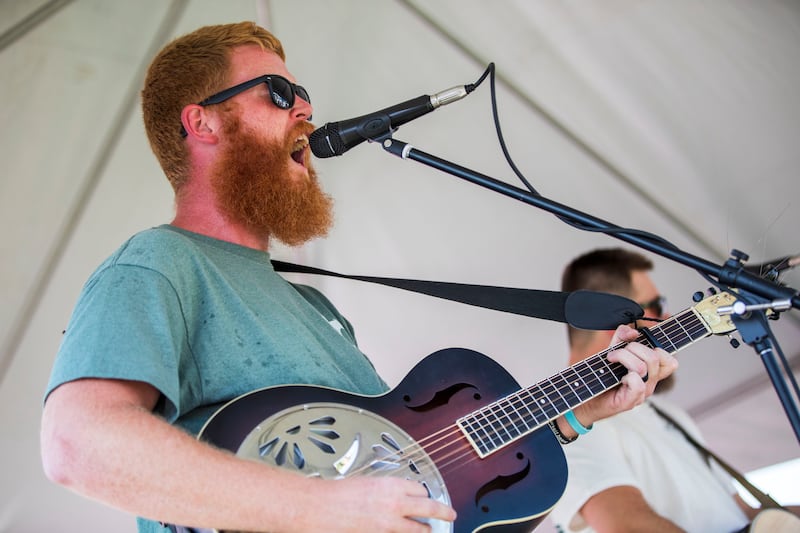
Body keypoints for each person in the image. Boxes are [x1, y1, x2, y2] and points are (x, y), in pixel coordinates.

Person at [39, 22, 677, 533]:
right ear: (202, 122)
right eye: (279, 94)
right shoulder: (158, 263)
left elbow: (419, 464)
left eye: (304, 93)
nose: (307, 109)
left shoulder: (315, 309)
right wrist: (322, 510)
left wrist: (574, 413)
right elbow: (79, 444)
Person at [550, 247, 766, 533]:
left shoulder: (668, 412)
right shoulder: (560, 422)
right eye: (657, 304)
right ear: (611, 319)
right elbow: (629, 527)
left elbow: (743, 514)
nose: (669, 316)